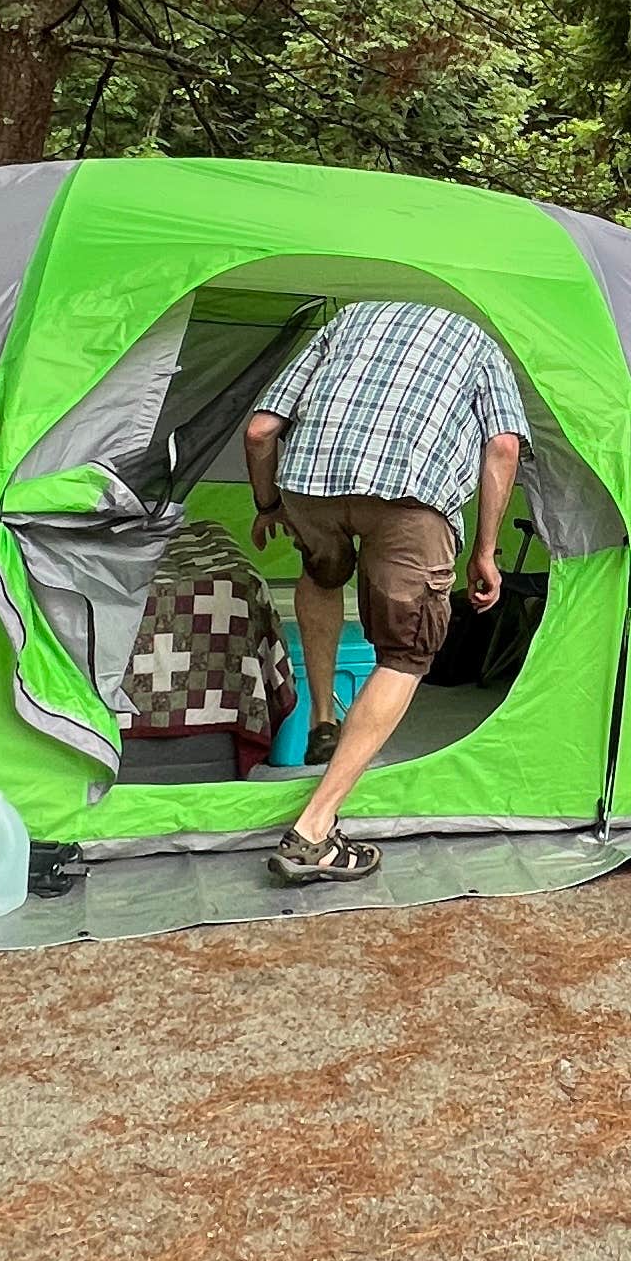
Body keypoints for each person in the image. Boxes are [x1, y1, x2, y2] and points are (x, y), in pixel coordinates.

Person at [244, 293, 528, 881]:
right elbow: (503, 447)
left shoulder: (347, 320)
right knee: (406, 651)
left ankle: (324, 719)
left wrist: (268, 503)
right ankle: (314, 831)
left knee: (322, 572)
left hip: (310, 486)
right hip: (409, 499)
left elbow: (261, 430)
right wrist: (484, 551)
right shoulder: (479, 342)